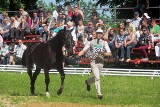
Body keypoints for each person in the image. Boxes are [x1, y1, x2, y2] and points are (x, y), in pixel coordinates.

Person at [76, 29, 112, 100]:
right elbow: (83, 50)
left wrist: (103, 53)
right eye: (98, 33)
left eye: (100, 34)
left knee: (96, 77)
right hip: (93, 62)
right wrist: (77, 56)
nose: (99, 35)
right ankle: (99, 94)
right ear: (96, 34)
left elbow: (109, 53)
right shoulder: (91, 42)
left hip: (101, 62)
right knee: (97, 77)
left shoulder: (104, 43)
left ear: (102, 35)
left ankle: (88, 82)